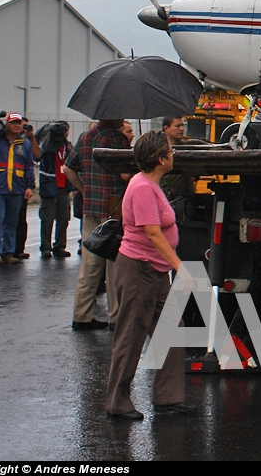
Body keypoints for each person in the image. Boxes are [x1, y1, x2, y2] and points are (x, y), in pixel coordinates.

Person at [104, 131, 193, 420]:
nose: (173, 153)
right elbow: (152, 233)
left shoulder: (151, 184)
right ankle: (117, 401)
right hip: (139, 269)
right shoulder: (142, 187)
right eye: (170, 150)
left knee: (171, 329)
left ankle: (168, 398)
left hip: (154, 270)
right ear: (160, 158)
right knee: (130, 335)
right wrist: (179, 265)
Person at [64, 119, 130, 330]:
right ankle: (115, 316)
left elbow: (67, 168)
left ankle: (81, 316)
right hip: (113, 208)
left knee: (90, 265)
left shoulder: (85, 137)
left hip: (91, 207)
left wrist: (84, 190)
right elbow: (124, 174)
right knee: (114, 266)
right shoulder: (116, 139)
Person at [0, 112, 35, 265]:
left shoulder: (24, 143)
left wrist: (30, 186)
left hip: (16, 189)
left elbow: (29, 166)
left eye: (19, 123)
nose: (17, 126)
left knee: (12, 223)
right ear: (7, 125)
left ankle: (8, 252)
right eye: (13, 123)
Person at [37, 122, 73, 258]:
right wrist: (52, 138)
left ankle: (60, 245)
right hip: (49, 186)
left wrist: (65, 142)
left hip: (64, 186)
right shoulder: (48, 145)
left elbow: (74, 156)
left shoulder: (66, 146)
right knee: (47, 218)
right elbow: (41, 155)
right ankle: (45, 246)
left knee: (63, 218)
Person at [12, 117, 42, 259]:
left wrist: (32, 138)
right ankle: (2, 249)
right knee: (3, 221)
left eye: (24, 126)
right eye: (18, 125)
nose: (21, 129)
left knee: (20, 220)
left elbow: (37, 157)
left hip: (21, 186)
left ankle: (18, 249)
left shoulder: (26, 143)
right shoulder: (8, 141)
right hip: (6, 186)